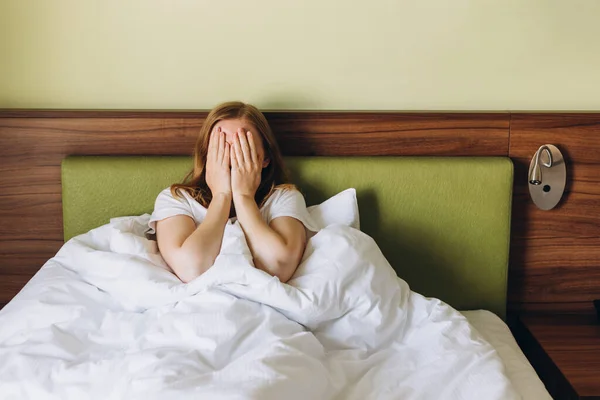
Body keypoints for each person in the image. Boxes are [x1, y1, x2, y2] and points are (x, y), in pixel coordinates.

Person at [148, 101, 318, 284]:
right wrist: (222, 196)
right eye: (222, 147)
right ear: (207, 155)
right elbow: (193, 269)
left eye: (243, 148)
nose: (232, 157)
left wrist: (243, 197)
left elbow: (277, 268)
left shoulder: (284, 198)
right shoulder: (176, 199)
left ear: (265, 158)